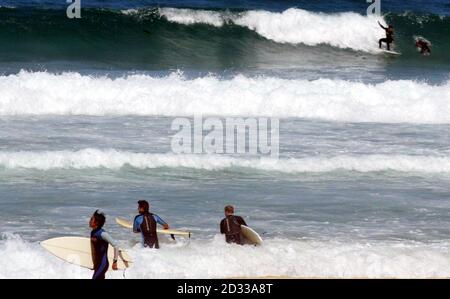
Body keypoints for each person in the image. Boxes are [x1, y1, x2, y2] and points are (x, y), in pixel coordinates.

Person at [89, 210, 120, 279]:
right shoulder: (93, 232)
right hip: (97, 264)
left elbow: (116, 246)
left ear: (96, 222)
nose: (89, 221)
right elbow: (94, 250)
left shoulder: (102, 234)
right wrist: (94, 264)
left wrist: (115, 262)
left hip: (103, 264)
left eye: (91, 219)